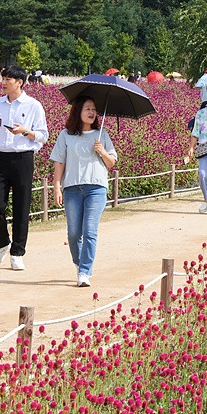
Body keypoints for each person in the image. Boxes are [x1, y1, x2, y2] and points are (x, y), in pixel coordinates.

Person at [0, 65, 49, 271]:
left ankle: (17, 252)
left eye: (8, 79)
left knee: (22, 206)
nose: (3, 83)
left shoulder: (33, 105)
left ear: (19, 82)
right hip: (0, 158)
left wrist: (25, 132)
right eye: (3, 79)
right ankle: (3, 242)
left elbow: (43, 135)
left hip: (23, 158)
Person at [49, 96, 117, 287]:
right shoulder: (65, 135)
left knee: (89, 231)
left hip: (96, 188)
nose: (91, 112)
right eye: (87, 108)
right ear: (78, 111)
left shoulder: (102, 135)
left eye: (94, 109)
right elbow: (59, 161)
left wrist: (102, 151)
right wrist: (56, 186)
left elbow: (111, 163)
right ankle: (80, 265)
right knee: (73, 234)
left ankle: (85, 271)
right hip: (71, 188)